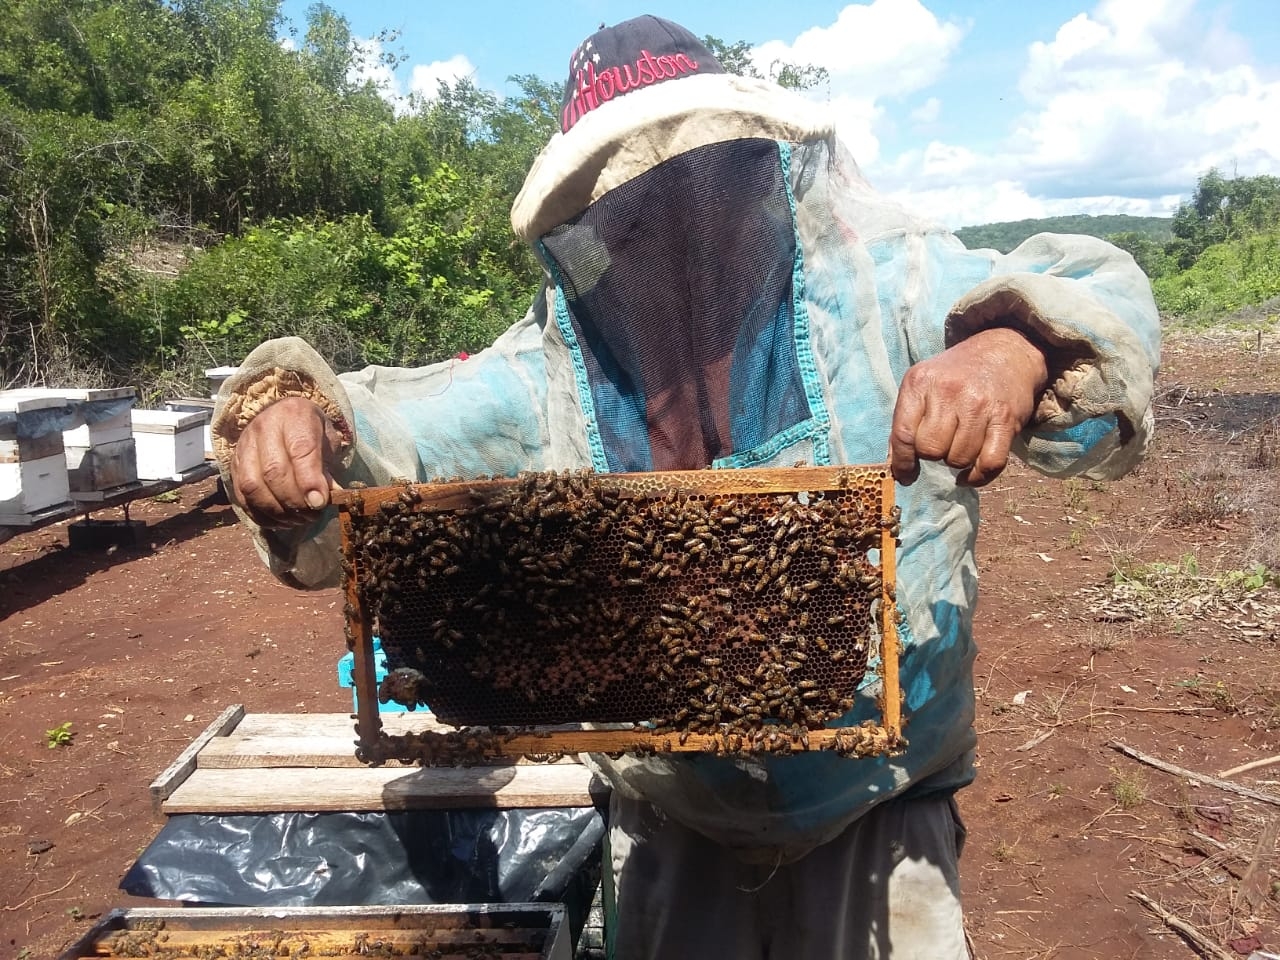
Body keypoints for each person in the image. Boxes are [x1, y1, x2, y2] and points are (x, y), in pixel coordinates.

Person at [212, 14, 1159, 958]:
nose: (668, 226)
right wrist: (290, 412)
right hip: (668, 828)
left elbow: (1089, 289)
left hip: (881, 822)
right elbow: (389, 431)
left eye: (693, 188)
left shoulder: (892, 289)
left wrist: (1012, 345)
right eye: (631, 205)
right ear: (588, 228)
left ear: (757, 177)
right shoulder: (550, 373)